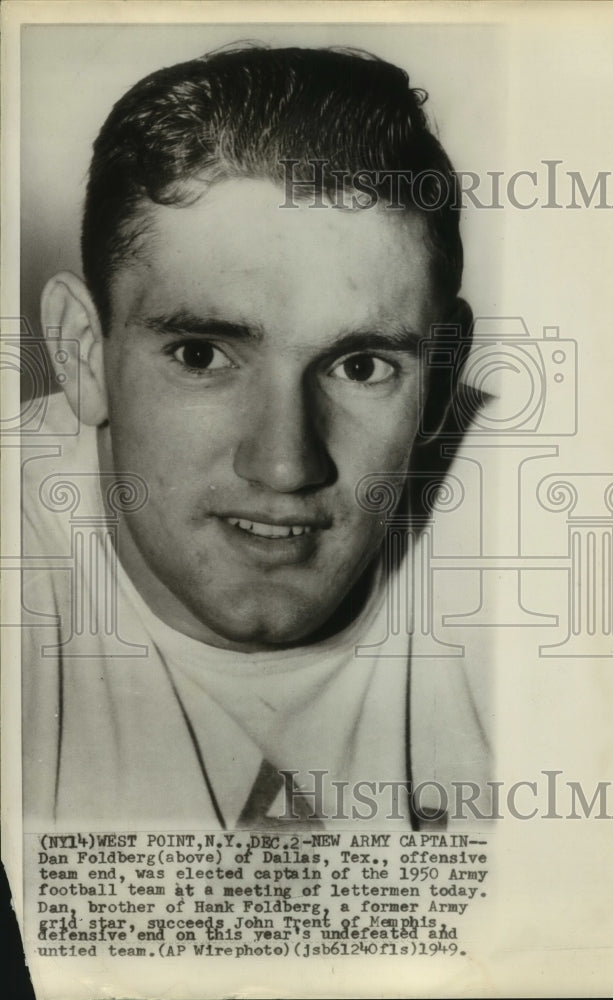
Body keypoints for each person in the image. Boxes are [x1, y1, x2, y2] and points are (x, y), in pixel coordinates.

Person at [21, 45, 491, 831]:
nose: (283, 463)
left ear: (441, 379)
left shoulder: (542, 529)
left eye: (362, 365)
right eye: (201, 356)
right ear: (82, 354)